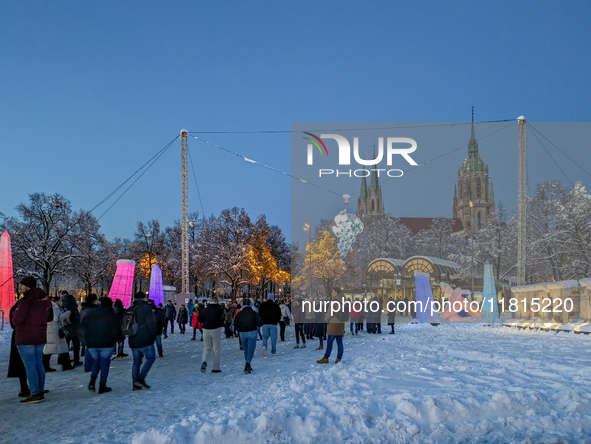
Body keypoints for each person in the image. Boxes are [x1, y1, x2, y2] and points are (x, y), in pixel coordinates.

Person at [12, 276, 53, 404]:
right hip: (40, 336)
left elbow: (17, 320)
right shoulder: (46, 301)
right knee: (38, 364)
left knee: (29, 366)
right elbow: (50, 318)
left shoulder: (25, 302)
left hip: (26, 337)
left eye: (21, 285)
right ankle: (40, 390)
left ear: (27, 286)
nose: (19, 287)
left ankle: (35, 393)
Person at [80, 297, 120, 394]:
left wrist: (86, 340)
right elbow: (115, 329)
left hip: (92, 343)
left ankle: (92, 380)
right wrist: (118, 339)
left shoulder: (91, 313)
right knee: (105, 364)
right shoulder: (111, 314)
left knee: (96, 362)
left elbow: (83, 326)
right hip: (106, 343)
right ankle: (102, 385)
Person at [128, 292, 157, 390]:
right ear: (144, 299)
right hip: (145, 339)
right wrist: (153, 336)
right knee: (151, 358)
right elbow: (151, 324)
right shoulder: (146, 309)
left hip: (133, 339)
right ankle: (140, 378)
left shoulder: (130, 310)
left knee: (136, 361)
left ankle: (135, 383)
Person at [233, 298, 263, 374]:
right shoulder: (253, 313)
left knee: (246, 349)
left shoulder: (239, 314)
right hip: (252, 331)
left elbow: (235, 324)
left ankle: (247, 362)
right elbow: (260, 322)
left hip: (242, 333)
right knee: (251, 349)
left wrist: (238, 329)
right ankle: (248, 363)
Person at [43, 296, 72, 372]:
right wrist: (66, 314)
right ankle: (66, 365)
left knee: (49, 349)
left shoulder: (46, 307)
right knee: (62, 347)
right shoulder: (54, 307)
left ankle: (45, 366)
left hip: (49, 330)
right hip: (54, 330)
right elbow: (56, 318)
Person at [7, 303, 31, 398]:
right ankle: (28, 387)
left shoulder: (18, 306)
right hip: (23, 337)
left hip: (20, 336)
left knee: (22, 363)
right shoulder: (24, 307)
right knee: (24, 363)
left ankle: (26, 387)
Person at [317, 287, 345, 364]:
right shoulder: (343, 300)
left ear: (336, 292)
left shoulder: (334, 301)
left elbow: (329, 313)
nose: (332, 293)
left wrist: (325, 320)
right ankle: (339, 358)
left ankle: (326, 357)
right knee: (340, 342)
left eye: (333, 292)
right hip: (340, 324)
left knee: (330, 342)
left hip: (333, 324)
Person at [197, 296, 224, 373]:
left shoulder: (205, 310)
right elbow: (222, 320)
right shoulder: (219, 310)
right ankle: (215, 368)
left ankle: (204, 361)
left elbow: (199, 319)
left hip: (205, 330)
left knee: (206, 348)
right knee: (216, 349)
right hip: (215, 329)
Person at [62, 291, 83, 367]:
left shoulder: (63, 307)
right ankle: (76, 360)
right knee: (76, 345)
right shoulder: (74, 307)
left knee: (65, 346)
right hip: (74, 329)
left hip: (66, 329)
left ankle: (64, 360)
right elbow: (77, 318)